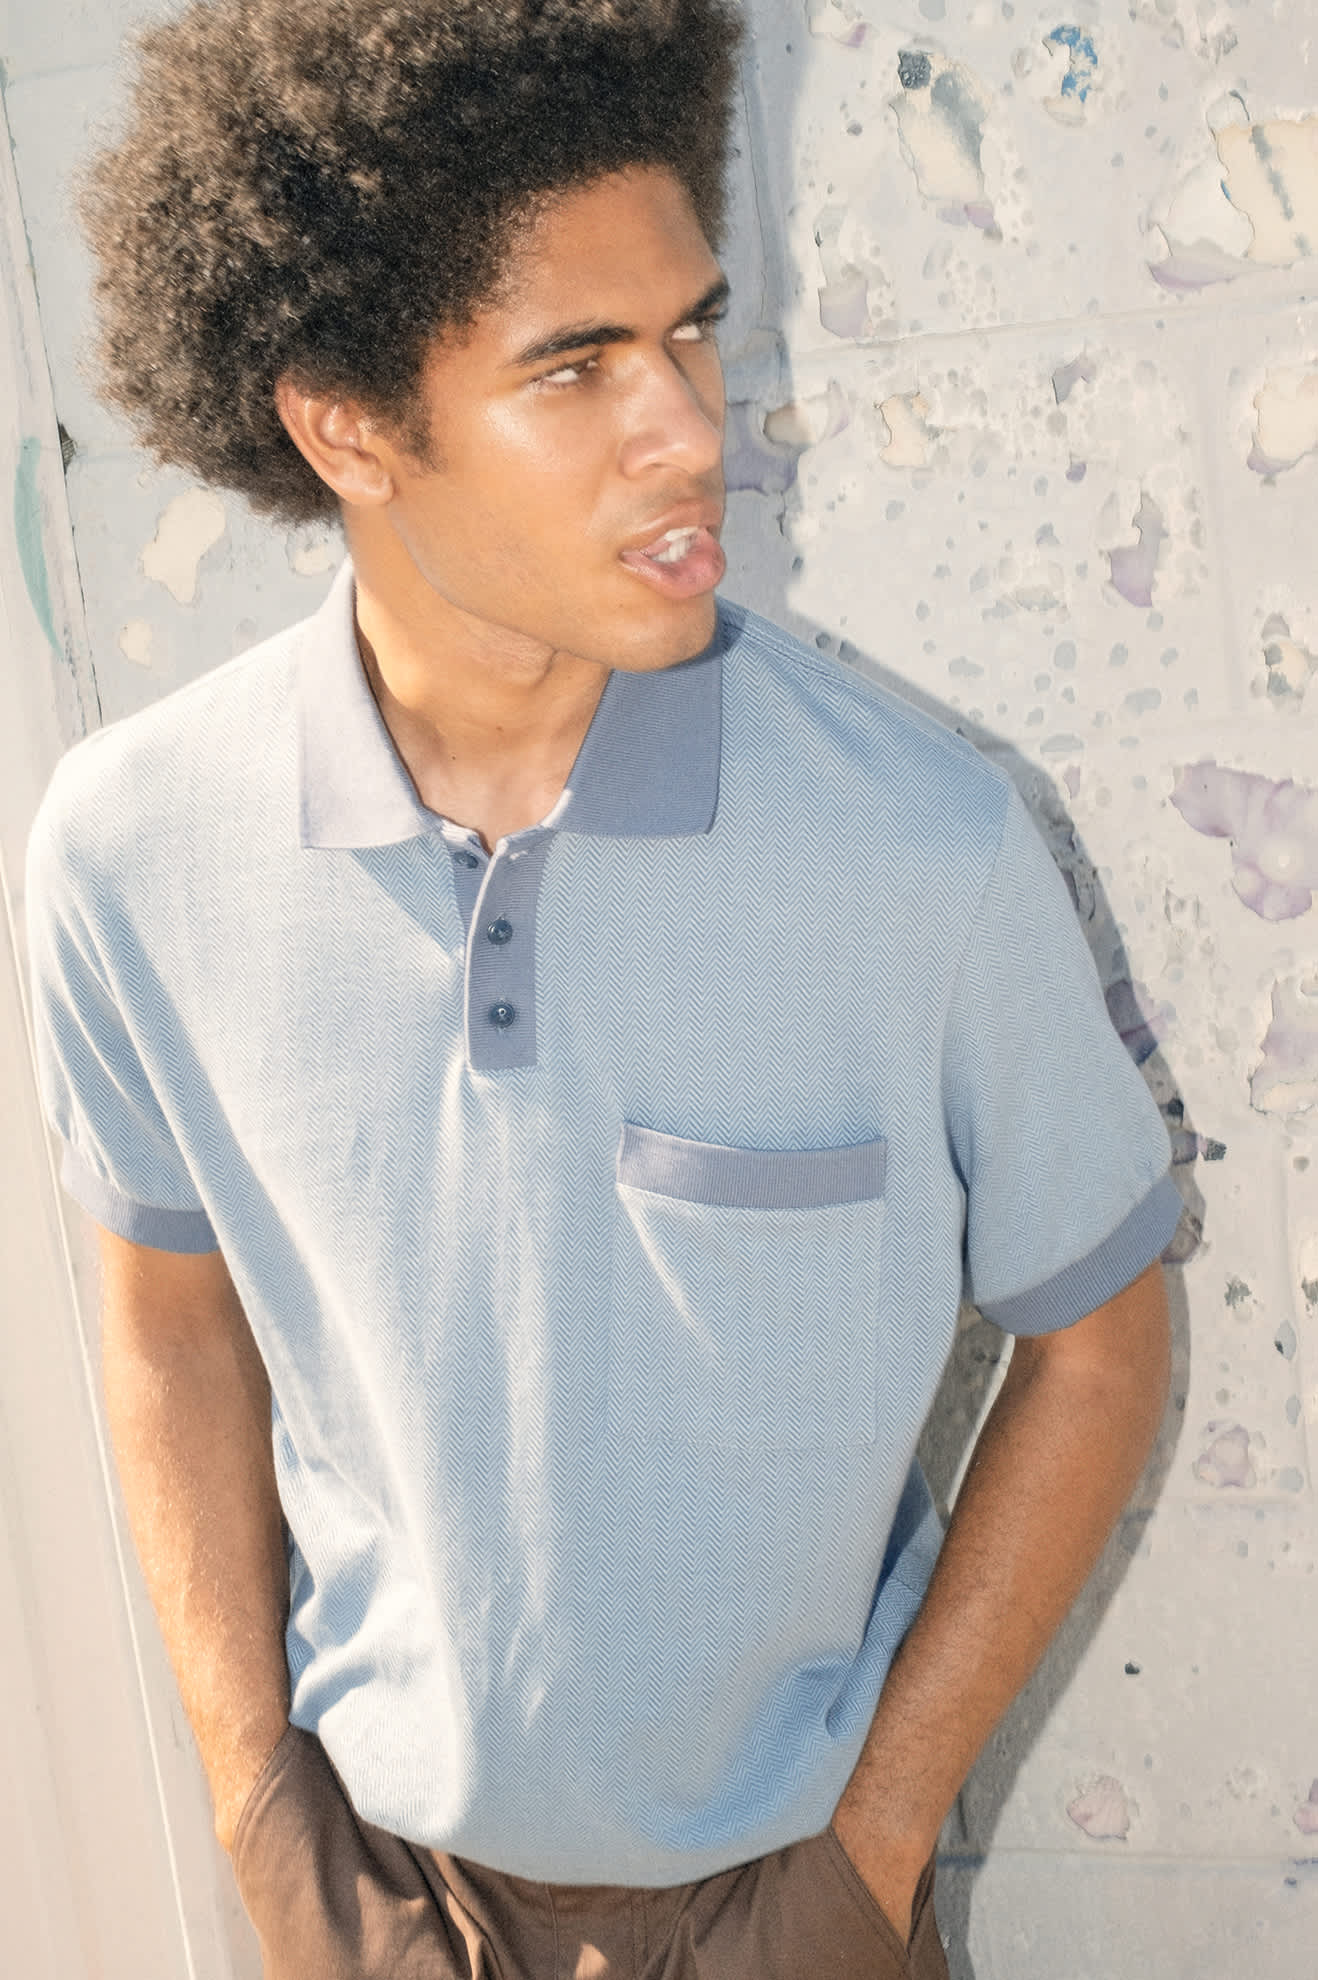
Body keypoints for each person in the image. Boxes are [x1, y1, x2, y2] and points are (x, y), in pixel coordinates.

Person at [25, 2, 1179, 1975]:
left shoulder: (924, 846)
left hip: (795, 1905)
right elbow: (168, 1318)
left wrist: (868, 1857)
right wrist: (257, 1812)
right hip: (381, 1895)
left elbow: (1097, 1340)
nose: (688, 430)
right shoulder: (129, 851)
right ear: (345, 425)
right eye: (573, 369)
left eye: (688, 334)